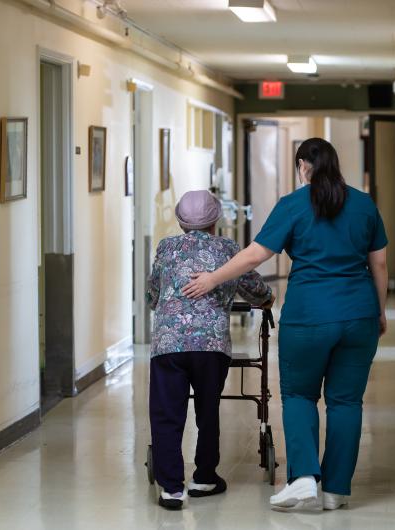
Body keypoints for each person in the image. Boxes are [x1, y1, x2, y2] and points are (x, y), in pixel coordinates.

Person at [182, 138, 388, 511]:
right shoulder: (364, 204)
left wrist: (212, 278)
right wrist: (381, 312)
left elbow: (255, 255)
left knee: (299, 395)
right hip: (359, 315)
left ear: (301, 166)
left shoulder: (293, 205)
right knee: (346, 402)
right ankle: (336, 490)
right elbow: (380, 266)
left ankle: (305, 479)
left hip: (309, 317)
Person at [147, 190, 275, 511]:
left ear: (179, 220)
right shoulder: (229, 249)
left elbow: (153, 294)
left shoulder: (166, 248)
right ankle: (204, 476)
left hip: (169, 345)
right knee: (208, 409)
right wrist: (266, 300)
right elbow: (256, 289)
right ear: (216, 221)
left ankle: (172, 489)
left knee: (167, 414)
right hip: (211, 347)